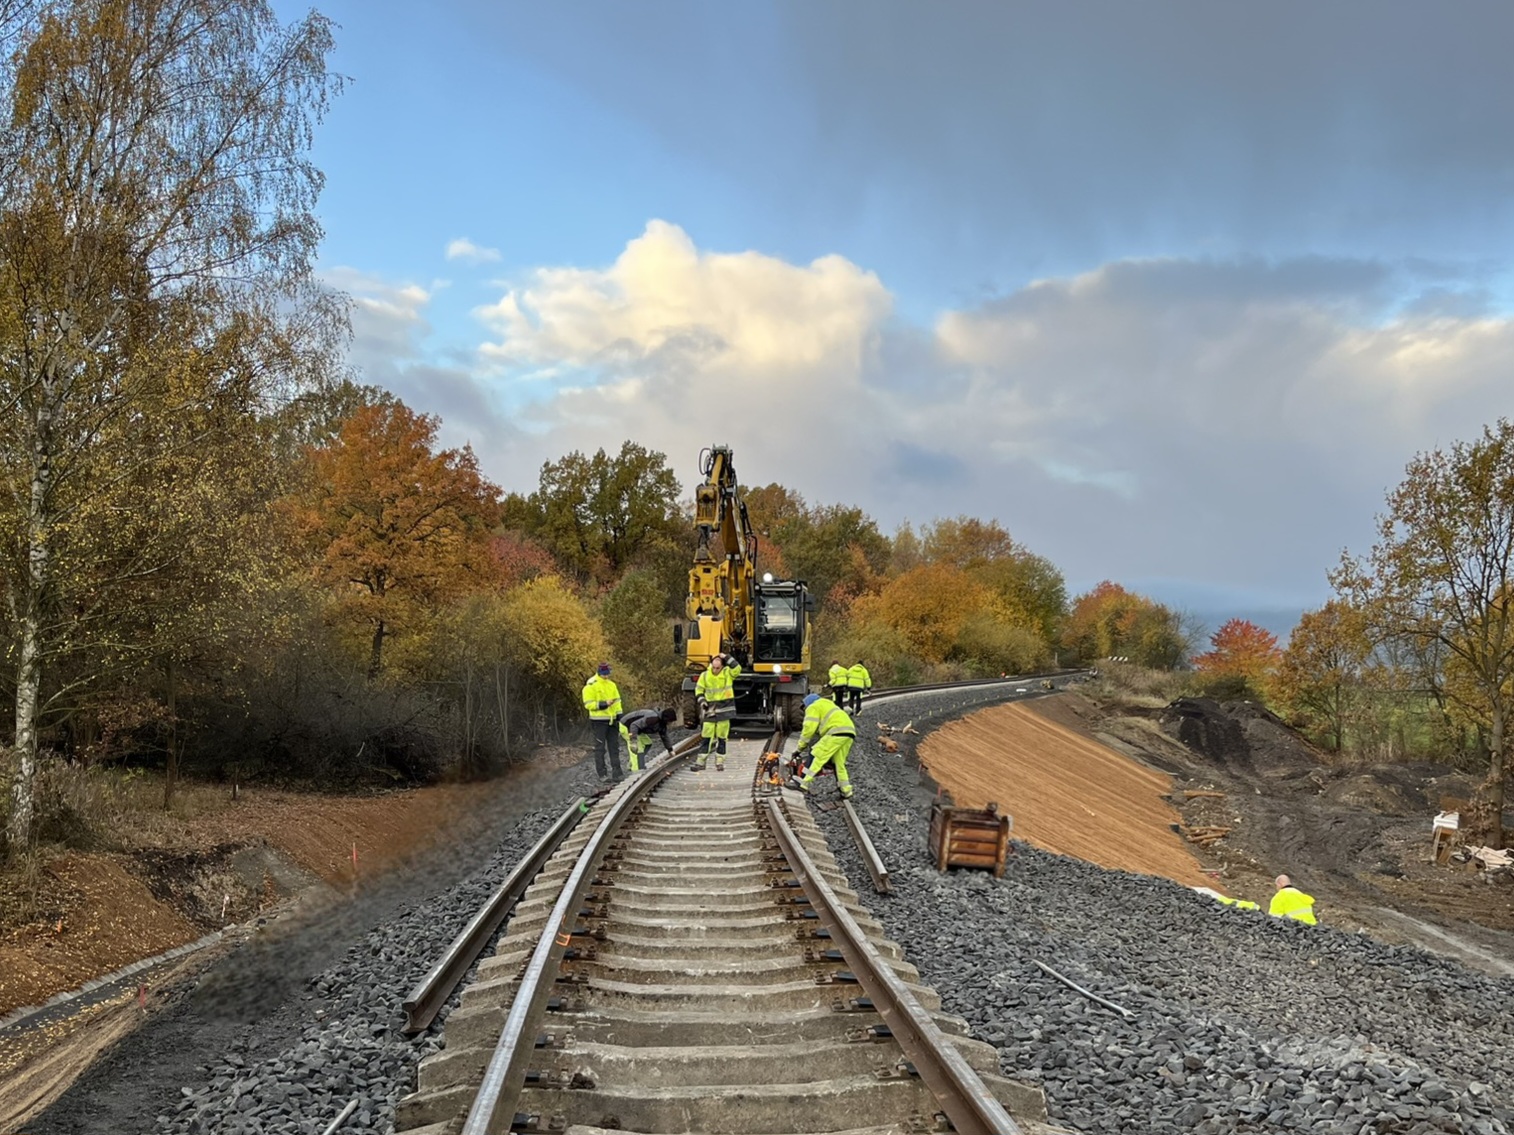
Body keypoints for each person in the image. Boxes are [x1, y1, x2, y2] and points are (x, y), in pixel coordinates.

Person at [787, 692, 857, 799]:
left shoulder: (813, 706)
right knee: (838, 763)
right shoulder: (827, 704)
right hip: (849, 732)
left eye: (804, 708)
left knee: (816, 754)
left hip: (835, 732)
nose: (804, 711)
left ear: (807, 704)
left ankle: (803, 783)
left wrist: (800, 748)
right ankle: (846, 791)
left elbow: (808, 730)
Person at [694, 652, 741, 770]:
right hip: (710, 709)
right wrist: (702, 701)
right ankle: (700, 762)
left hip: (724, 710)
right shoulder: (705, 675)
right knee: (706, 736)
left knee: (722, 737)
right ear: (711, 665)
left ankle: (719, 762)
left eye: (718, 668)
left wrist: (727, 657)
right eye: (713, 667)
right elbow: (699, 690)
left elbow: (737, 668)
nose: (715, 670)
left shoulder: (727, 674)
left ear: (722, 667)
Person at [581, 662, 623, 781]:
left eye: (607, 674)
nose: (606, 676)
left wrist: (620, 715)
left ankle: (617, 772)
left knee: (614, 747)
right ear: (600, 673)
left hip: (612, 720)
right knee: (600, 748)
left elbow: (618, 701)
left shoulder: (612, 685)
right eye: (604, 674)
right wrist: (603, 704)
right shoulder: (590, 685)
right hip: (598, 721)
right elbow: (588, 704)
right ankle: (602, 774)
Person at [620, 707, 677, 773]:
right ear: (665, 718)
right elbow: (634, 725)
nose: (670, 723)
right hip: (626, 726)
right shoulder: (652, 719)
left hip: (637, 730)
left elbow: (665, 737)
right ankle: (637, 771)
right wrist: (633, 740)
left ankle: (633, 763)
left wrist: (670, 750)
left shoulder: (662, 724)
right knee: (637, 748)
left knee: (647, 743)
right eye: (670, 721)